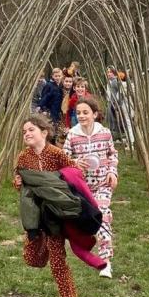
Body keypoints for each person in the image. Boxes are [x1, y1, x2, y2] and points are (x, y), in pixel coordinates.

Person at [13, 114, 82, 297]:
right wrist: (18, 181)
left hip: (54, 215)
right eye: (24, 131)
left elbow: (74, 173)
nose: (27, 134)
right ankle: (43, 246)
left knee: (57, 260)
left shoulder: (56, 154)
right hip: (35, 215)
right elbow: (18, 178)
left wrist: (56, 185)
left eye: (31, 130)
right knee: (32, 258)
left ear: (44, 132)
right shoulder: (24, 157)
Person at [63, 96, 119, 278]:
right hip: (82, 189)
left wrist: (112, 171)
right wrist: (75, 163)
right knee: (88, 221)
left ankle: (106, 262)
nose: (81, 116)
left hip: (103, 184)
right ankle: (87, 247)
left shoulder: (105, 133)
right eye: (78, 113)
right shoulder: (72, 135)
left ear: (95, 114)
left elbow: (112, 154)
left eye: (85, 112)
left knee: (103, 216)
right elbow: (63, 159)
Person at [37, 67, 63, 143]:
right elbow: (44, 97)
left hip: (57, 111)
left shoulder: (60, 86)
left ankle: (55, 145)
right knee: (51, 129)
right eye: (56, 76)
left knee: (57, 129)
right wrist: (42, 107)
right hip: (50, 110)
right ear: (52, 76)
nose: (58, 78)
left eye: (59, 76)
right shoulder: (49, 85)